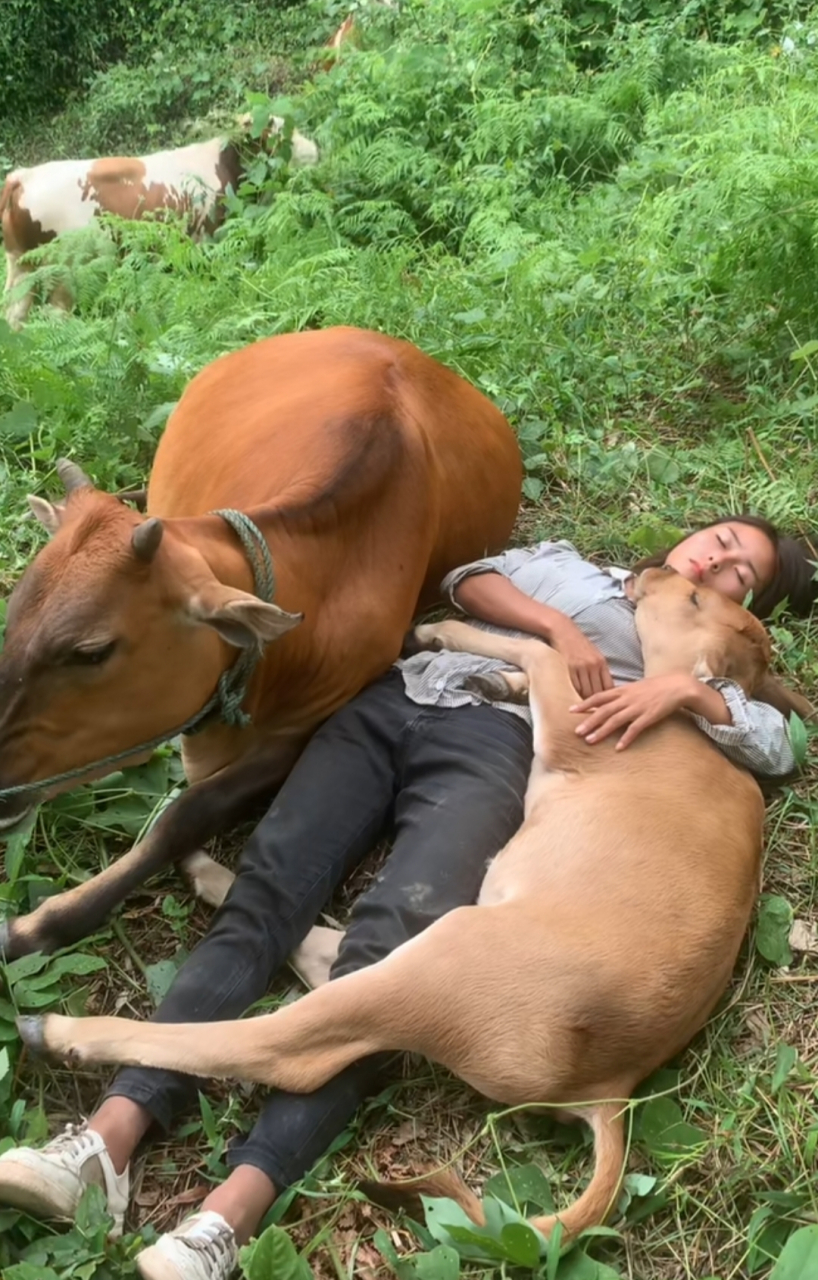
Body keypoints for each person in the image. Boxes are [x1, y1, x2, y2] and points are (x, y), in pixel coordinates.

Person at [0, 515, 813, 1280]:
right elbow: (467, 582)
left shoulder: (691, 678)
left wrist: (687, 693)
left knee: (388, 954)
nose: (713, 566)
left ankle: (226, 1217)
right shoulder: (569, 565)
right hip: (399, 697)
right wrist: (558, 633)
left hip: (501, 753)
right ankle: (102, 1145)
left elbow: (779, 743)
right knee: (267, 891)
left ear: (740, 626)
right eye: (726, 544)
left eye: (740, 579)